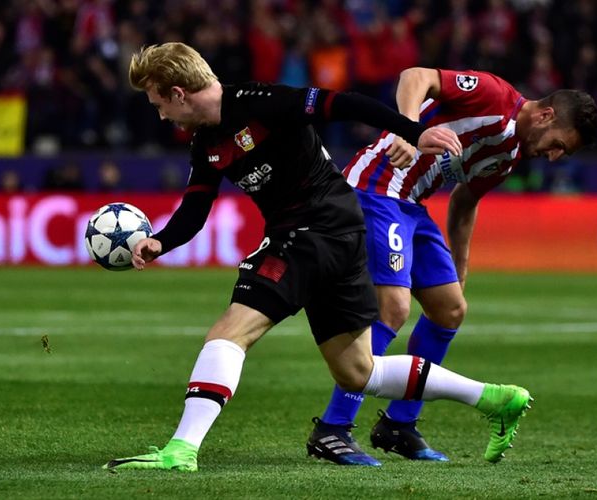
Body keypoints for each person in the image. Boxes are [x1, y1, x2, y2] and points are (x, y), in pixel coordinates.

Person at [103, 42, 528, 473]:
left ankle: (180, 450)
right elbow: (195, 209)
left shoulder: (262, 102)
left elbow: (345, 103)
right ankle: (494, 398)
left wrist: (412, 132)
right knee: (358, 372)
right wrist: (160, 241)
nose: (161, 116)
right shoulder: (206, 143)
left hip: (310, 231)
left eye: (159, 104)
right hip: (340, 233)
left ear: (179, 93)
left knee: (229, 334)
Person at [307, 67, 597, 466]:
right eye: (558, 145)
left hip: (412, 205)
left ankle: (398, 425)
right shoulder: (493, 96)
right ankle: (333, 428)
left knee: (451, 308)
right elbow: (415, 76)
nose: (554, 156)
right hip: (376, 186)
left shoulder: (509, 156)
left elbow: (465, 200)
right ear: (547, 116)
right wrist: (406, 129)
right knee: (393, 308)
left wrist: (460, 264)